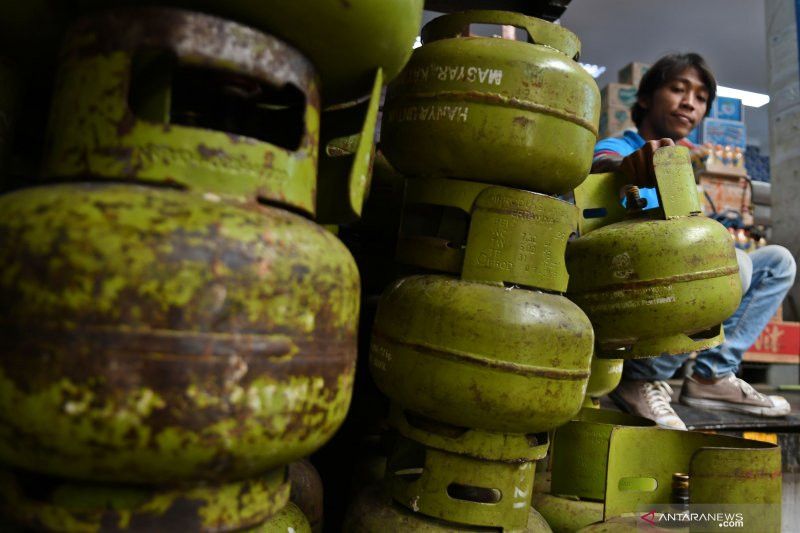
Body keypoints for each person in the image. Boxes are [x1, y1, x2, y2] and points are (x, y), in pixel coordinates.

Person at [592, 53, 796, 430]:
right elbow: (601, 165)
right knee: (737, 265)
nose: (690, 103)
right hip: (633, 289)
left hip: (673, 284)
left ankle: (711, 376)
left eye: (701, 97)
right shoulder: (619, 146)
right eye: (677, 89)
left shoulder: (681, 166)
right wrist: (628, 167)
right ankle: (640, 378)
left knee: (777, 262)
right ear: (644, 99)